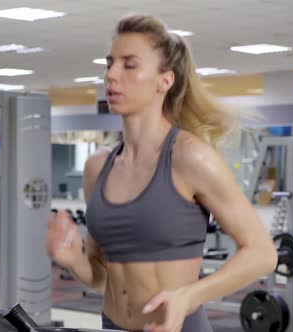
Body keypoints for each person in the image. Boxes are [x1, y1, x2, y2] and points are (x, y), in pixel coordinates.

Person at [46, 13, 278, 332]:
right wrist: (74, 260)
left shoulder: (190, 158)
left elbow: (263, 254)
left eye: (129, 64)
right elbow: (102, 278)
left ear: (164, 80)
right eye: (109, 63)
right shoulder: (97, 167)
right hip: (112, 325)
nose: (111, 74)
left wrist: (189, 296)